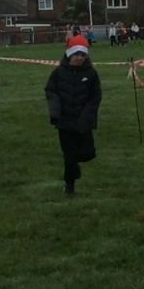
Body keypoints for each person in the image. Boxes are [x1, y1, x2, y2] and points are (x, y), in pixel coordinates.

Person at [45, 34, 102, 196]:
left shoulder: (91, 73)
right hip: (65, 121)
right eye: (76, 54)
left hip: (84, 120)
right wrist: (55, 112)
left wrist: (87, 116)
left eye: (83, 55)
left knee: (88, 153)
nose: (79, 58)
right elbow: (51, 91)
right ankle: (69, 185)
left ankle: (75, 163)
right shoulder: (58, 73)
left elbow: (96, 96)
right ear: (69, 54)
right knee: (69, 155)